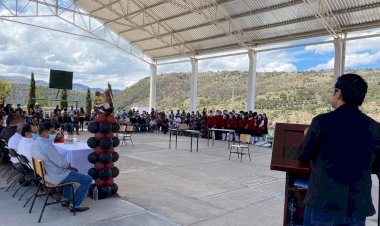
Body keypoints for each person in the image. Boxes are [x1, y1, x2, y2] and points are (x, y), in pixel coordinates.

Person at [298, 74, 380, 225]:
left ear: (339, 93)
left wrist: (306, 135)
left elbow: (303, 156)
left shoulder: (321, 122)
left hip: (322, 205)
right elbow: (376, 166)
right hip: (356, 209)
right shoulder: (376, 128)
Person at [30, 123, 92, 212]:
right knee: (87, 179)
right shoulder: (47, 145)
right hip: (55, 175)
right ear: (44, 133)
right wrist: (69, 166)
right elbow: (61, 163)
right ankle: (76, 204)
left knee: (70, 174)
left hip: (45, 175)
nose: (54, 133)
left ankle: (65, 199)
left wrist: (67, 167)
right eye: (52, 132)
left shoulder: (35, 143)